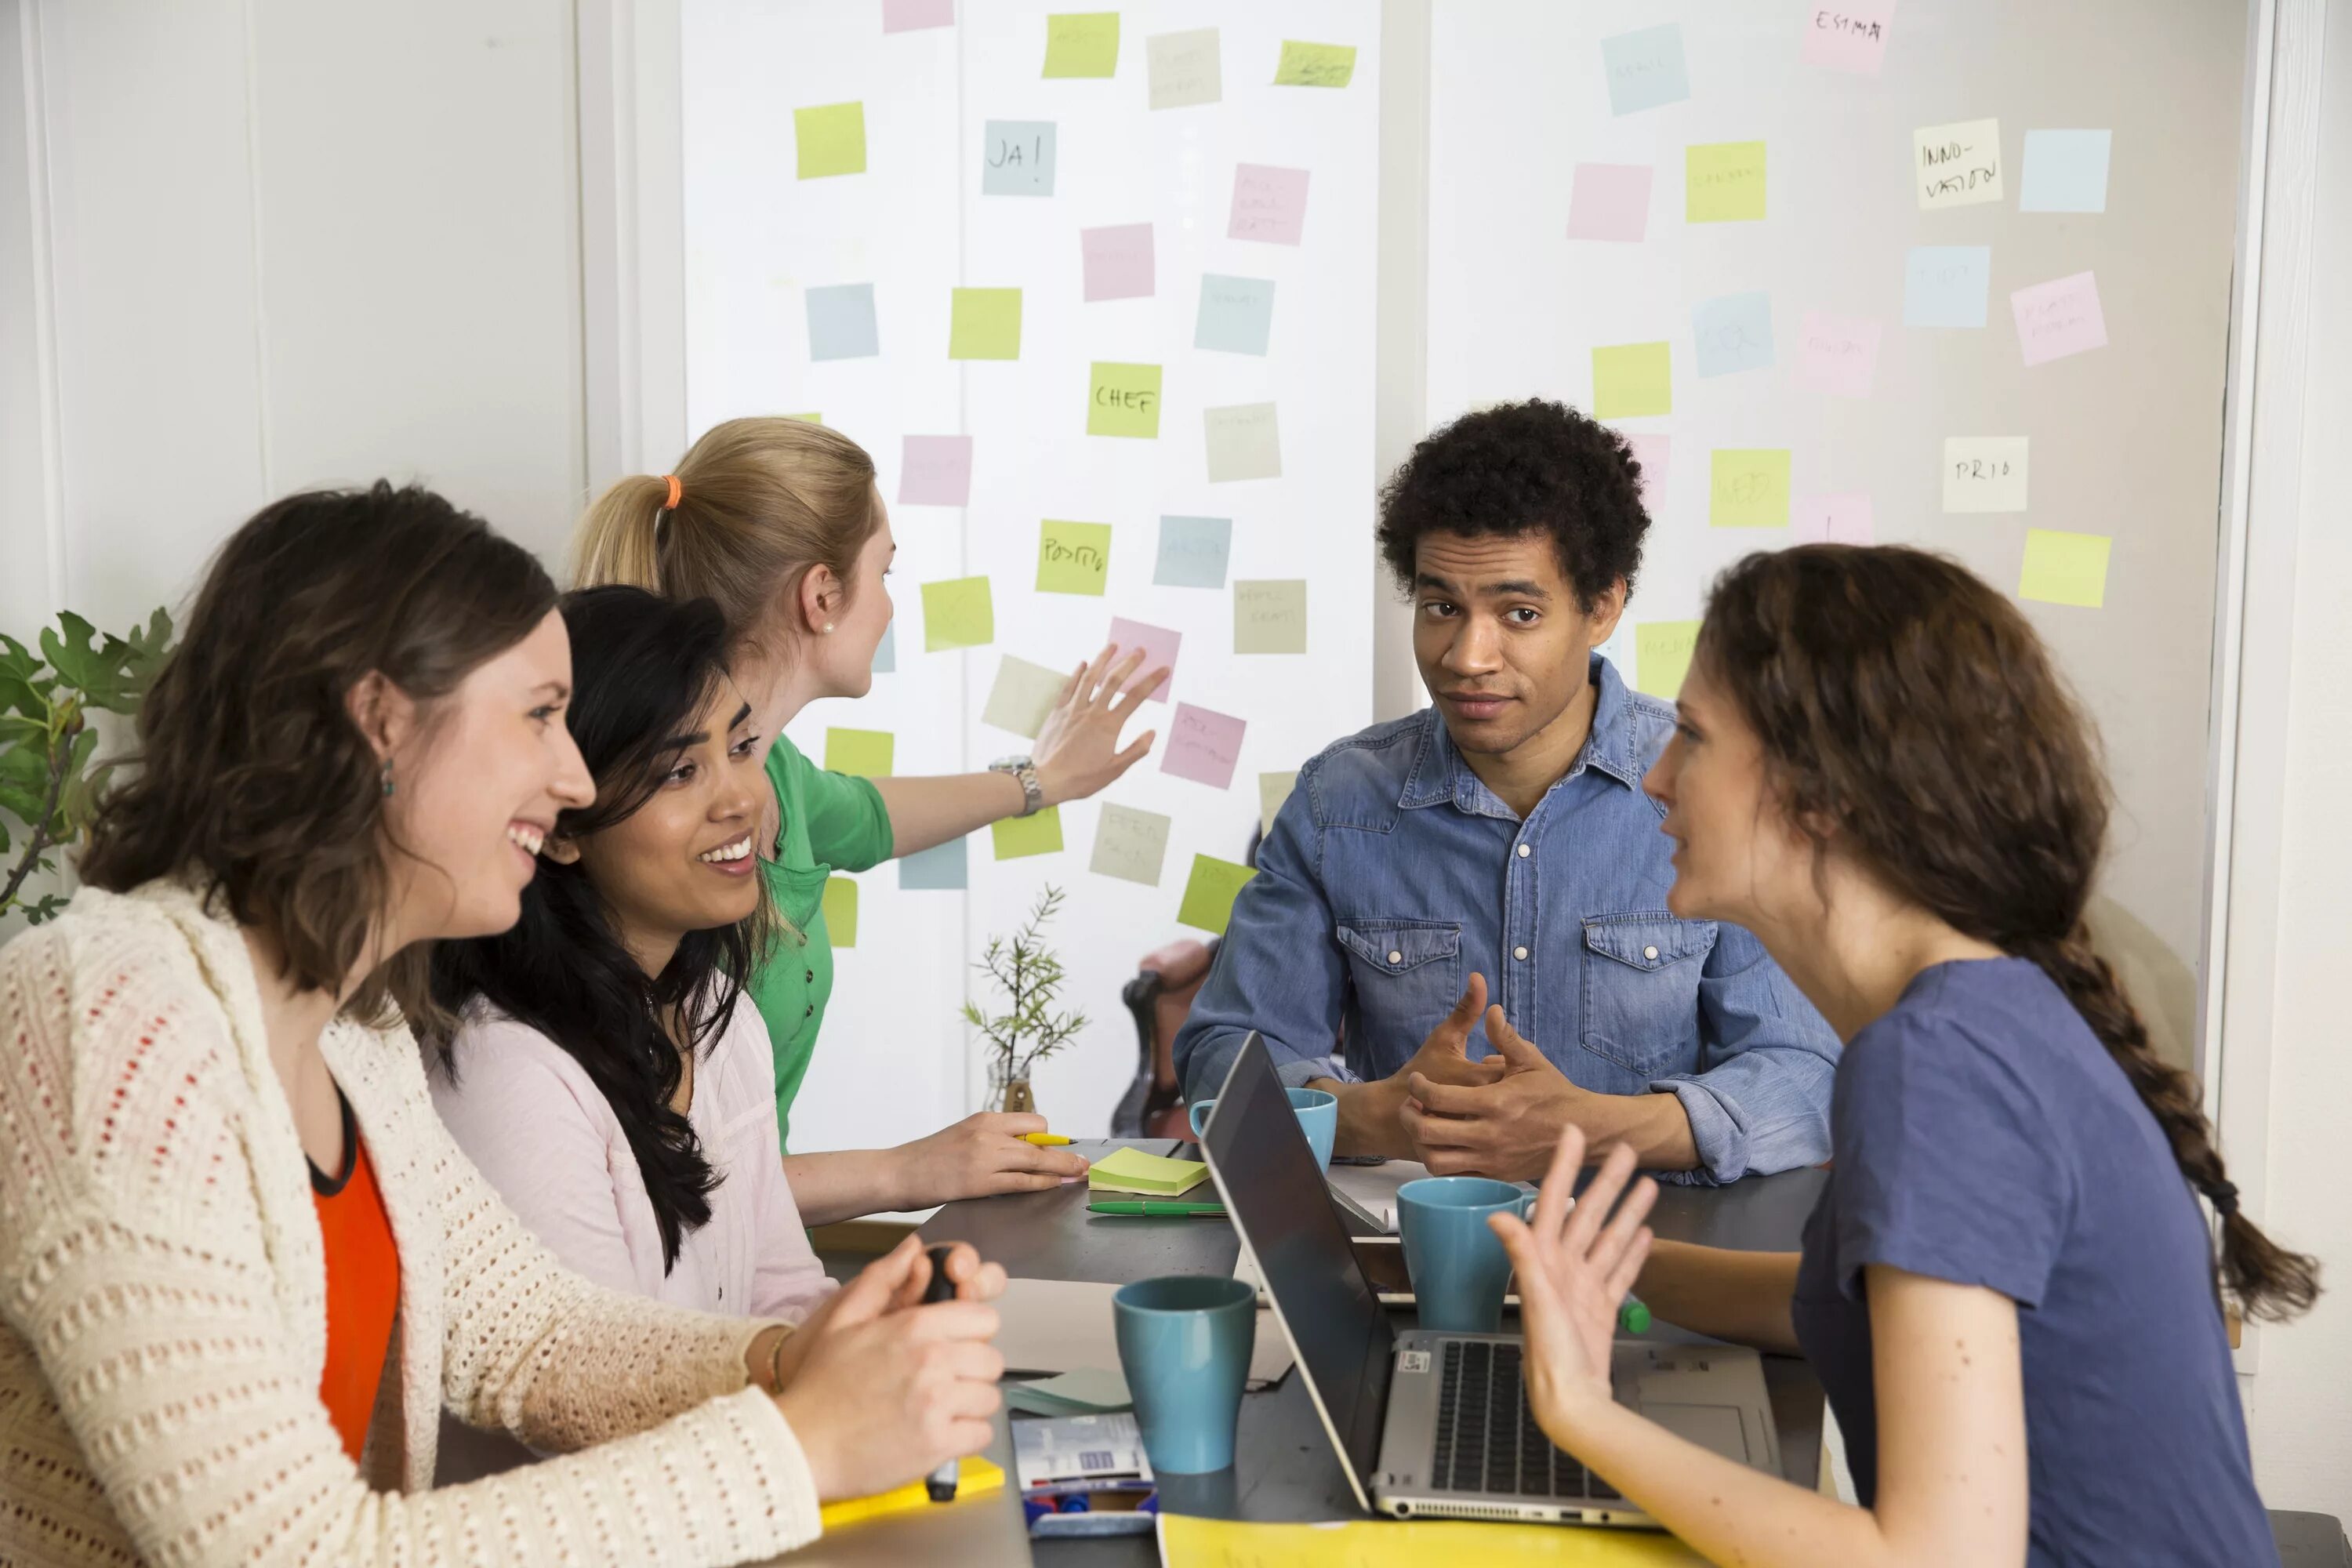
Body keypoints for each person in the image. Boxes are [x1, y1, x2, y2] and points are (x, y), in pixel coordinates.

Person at [0, 484, 1008, 1566]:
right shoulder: (106, 1011)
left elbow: (536, 1339)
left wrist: (802, 1355)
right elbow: (290, 1552)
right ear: (379, 720)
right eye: (539, 716)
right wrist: (799, 1446)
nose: (572, 778)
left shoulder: (354, 1039)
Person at [1497, 544, 2317, 1566]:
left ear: (1822, 796)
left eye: (1695, 738)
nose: (1656, 776)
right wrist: (1612, 1273)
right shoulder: (1979, 1010)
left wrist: (1580, 1411)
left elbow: (1935, 1559)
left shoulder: (1933, 1064)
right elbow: (1851, 1300)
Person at [1174, 400, 1837, 1184]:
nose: (1466, 655)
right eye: (1440, 607)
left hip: (1661, 1261)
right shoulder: (1340, 801)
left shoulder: (1714, 786)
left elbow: (1805, 1073)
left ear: (1603, 606)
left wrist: (1599, 1129)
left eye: (1518, 613)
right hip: (1410, 1256)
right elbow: (1225, 1058)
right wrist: (1372, 1114)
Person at [575, 417, 1162, 1214]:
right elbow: (650, 1182)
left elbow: (876, 814)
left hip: (756, 1269)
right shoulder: (675, 837)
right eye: (885, 570)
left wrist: (1044, 779)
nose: (890, 605)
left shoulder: (774, 773)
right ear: (821, 595)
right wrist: (907, 1171)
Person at [425, 586, 837, 1479]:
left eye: (741, 747)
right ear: (566, 824)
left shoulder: (716, 1015)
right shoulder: (510, 1069)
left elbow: (783, 1291)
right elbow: (591, 1411)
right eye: (679, 772)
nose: (740, 799)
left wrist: (870, 1343)